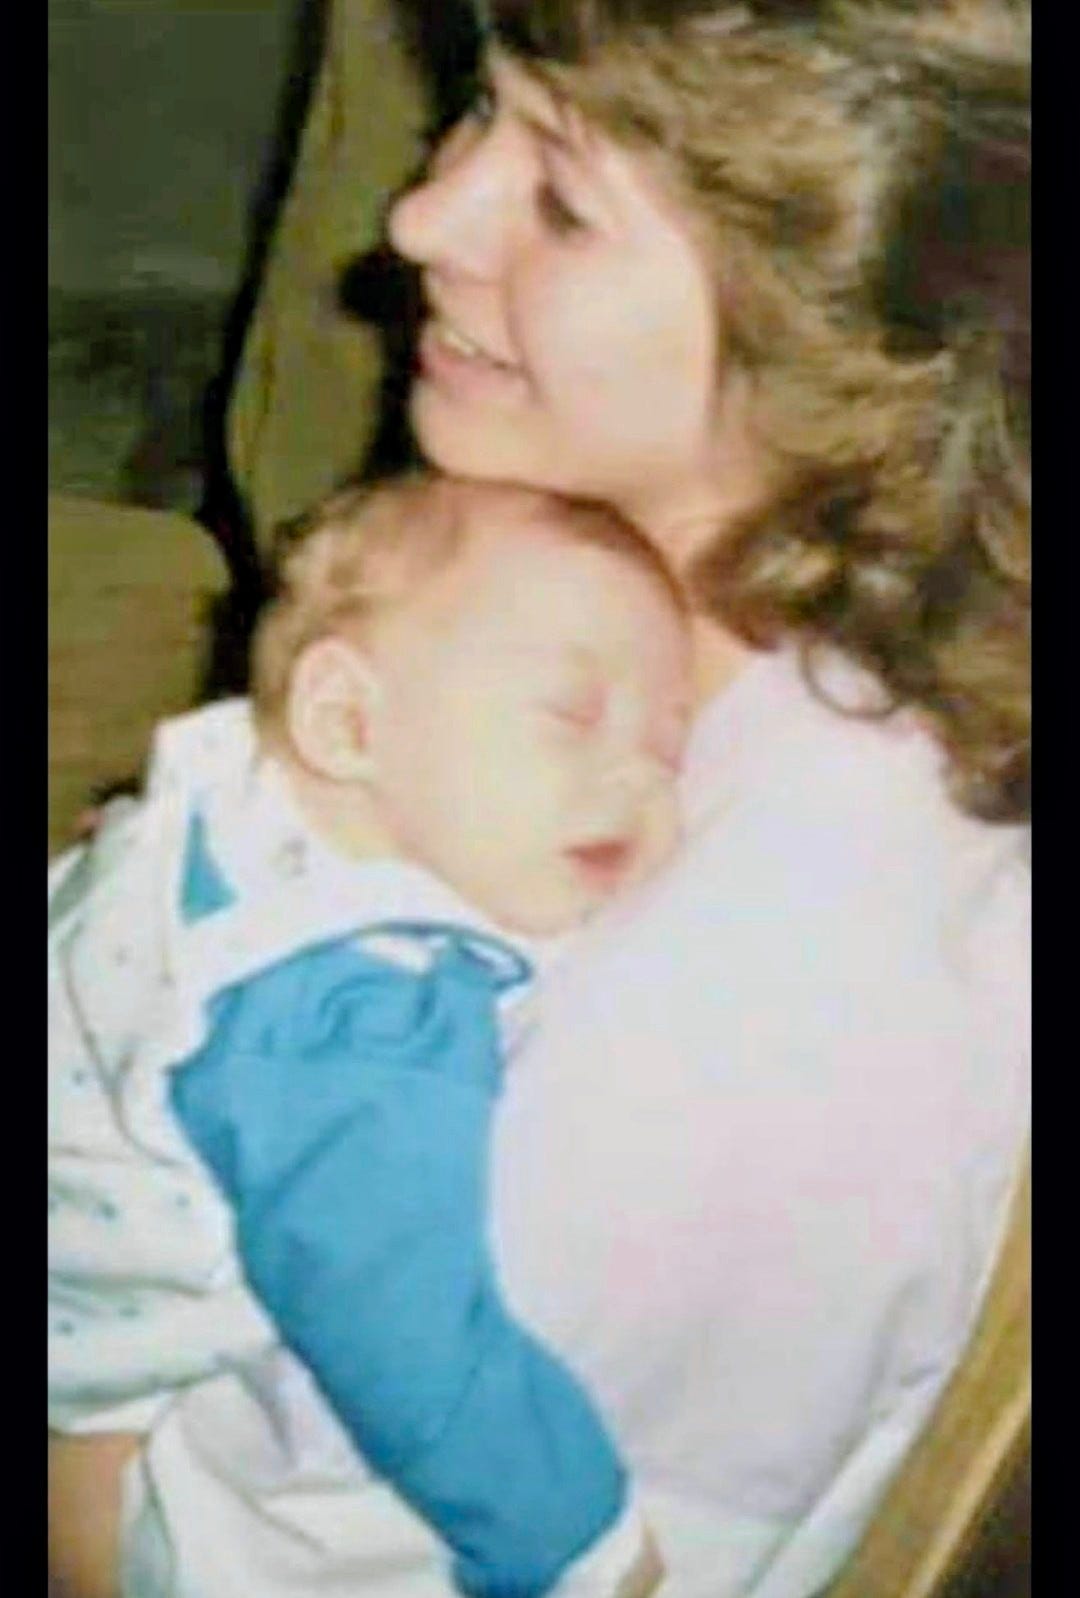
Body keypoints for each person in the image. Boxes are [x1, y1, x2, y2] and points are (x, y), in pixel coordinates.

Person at [48, 3, 1031, 1595]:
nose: (419, 215)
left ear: (859, 324)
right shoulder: (614, 566)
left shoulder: (777, 987)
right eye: (476, 111)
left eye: (565, 198)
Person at [49, 472, 689, 1597]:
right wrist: (578, 1540)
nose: (638, 775)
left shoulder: (243, 796)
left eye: (671, 744)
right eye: (572, 713)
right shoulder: (350, 1019)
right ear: (346, 720)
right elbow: (404, 1330)